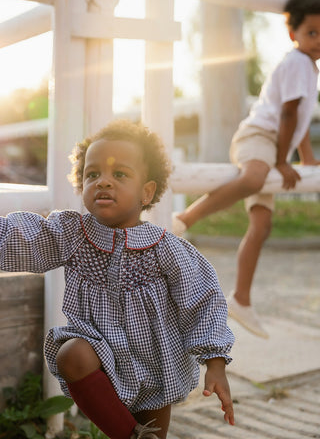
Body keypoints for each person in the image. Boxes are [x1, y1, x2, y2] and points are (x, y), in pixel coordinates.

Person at [0, 119, 235, 439]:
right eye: (92, 174)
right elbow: (22, 238)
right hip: (98, 358)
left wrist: (215, 361)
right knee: (72, 354)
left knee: (154, 431)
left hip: (155, 366)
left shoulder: (166, 248)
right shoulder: (72, 235)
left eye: (119, 174)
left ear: (147, 191)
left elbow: (203, 298)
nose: (103, 182)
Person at [173, 0, 320, 339]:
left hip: (276, 144)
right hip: (259, 137)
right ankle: (186, 219)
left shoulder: (309, 68)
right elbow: (286, 115)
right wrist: (284, 161)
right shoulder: (298, 63)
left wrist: (306, 156)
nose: (318, 40)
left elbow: (297, 118)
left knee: (262, 226)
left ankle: (241, 298)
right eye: (312, 32)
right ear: (293, 34)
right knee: (255, 178)